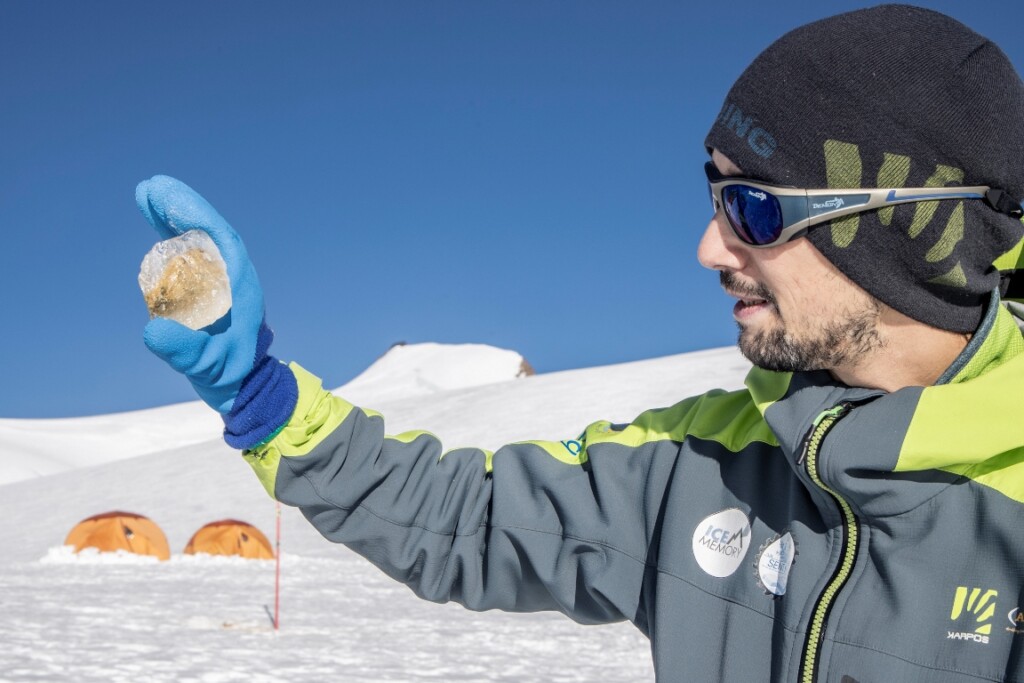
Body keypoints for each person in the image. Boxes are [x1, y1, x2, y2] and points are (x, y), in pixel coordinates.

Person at [136, 6, 1024, 682]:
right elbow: (463, 519)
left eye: (753, 207)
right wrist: (256, 390)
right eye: (714, 198)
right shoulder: (701, 460)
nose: (710, 248)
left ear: (901, 229)